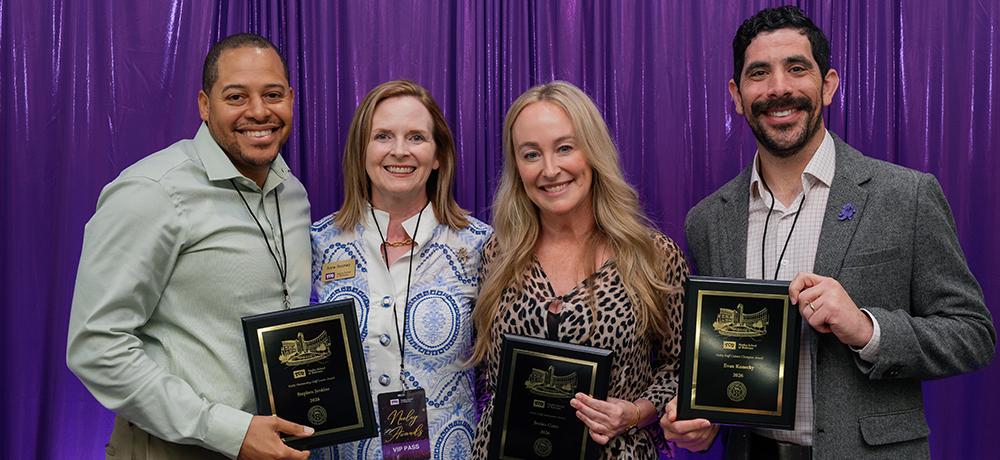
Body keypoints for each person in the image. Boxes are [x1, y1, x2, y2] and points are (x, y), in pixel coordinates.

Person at [660, 6, 996, 459]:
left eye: (797, 68)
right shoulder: (707, 220)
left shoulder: (905, 195)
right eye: (759, 73)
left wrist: (867, 329)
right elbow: (727, 365)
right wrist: (705, 422)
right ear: (737, 96)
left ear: (829, 84)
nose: (779, 88)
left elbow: (973, 334)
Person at [66, 34, 315, 460]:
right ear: (204, 105)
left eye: (272, 94)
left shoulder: (291, 192)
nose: (259, 111)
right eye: (236, 96)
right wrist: (228, 431)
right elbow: (96, 345)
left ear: (290, 99)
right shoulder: (153, 191)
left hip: (274, 447)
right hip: (172, 448)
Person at [470, 81, 688, 459]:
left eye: (565, 148)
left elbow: (681, 368)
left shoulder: (651, 257)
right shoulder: (497, 254)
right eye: (531, 154)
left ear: (593, 151)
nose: (550, 169)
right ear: (517, 166)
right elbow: (486, 374)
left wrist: (636, 412)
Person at [309, 79, 492, 459]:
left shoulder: (480, 246)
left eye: (416, 137)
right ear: (361, 150)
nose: (399, 151)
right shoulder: (317, 244)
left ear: (438, 154)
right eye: (383, 136)